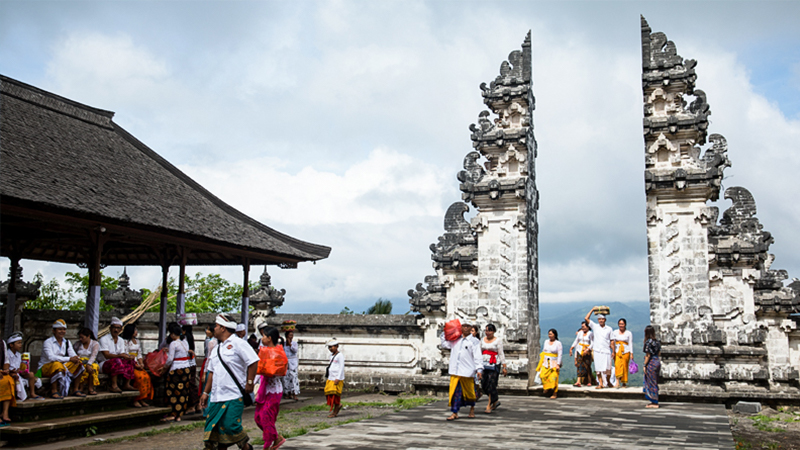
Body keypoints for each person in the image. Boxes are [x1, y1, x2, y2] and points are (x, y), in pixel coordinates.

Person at [200, 314, 259, 450]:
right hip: (216, 397)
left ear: (222, 328)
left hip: (233, 395)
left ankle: (246, 447)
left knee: (231, 426)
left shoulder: (239, 343)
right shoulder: (216, 349)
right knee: (212, 430)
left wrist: (250, 382)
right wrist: (205, 392)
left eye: (216, 326)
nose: (214, 329)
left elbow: (253, 361)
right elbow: (211, 373)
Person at [440, 321, 482, 421]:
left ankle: (472, 409)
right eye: (464, 326)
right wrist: (444, 333)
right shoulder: (455, 339)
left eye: (468, 326)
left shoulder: (474, 341)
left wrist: (479, 369)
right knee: (455, 392)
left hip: (468, 371)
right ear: (461, 327)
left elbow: (478, 356)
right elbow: (445, 344)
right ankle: (454, 412)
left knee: (470, 392)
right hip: (455, 370)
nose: (466, 328)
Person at [254, 326, 286, 450]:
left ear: (269, 338)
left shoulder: (279, 353)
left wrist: (270, 370)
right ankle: (276, 437)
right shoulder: (263, 351)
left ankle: (267, 445)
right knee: (258, 417)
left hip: (274, 390)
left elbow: (281, 371)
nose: (262, 338)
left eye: (264, 336)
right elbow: (258, 370)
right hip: (264, 388)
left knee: (266, 417)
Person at [38, 319, 84, 399]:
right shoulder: (48, 342)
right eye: (59, 329)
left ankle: (75, 389)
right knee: (57, 364)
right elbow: (51, 357)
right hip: (45, 367)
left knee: (79, 363)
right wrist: (69, 359)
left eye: (64, 329)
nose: (62, 331)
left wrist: (76, 358)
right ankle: (54, 391)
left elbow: (73, 355)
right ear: (53, 331)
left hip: (62, 366)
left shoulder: (67, 342)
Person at [163, 322, 192, 422]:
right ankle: (179, 415)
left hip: (176, 368)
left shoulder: (173, 343)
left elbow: (170, 359)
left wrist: (164, 368)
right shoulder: (185, 342)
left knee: (172, 392)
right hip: (186, 368)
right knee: (183, 393)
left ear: (173, 334)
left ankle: (173, 413)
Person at [99, 317, 136, 393]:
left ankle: (126, 384)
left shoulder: (121, 340)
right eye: (114, 327)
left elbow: (122, 353)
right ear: (110, 328)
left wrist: (128, 357)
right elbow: (106, 355)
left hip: (117, 362)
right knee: (117, 360)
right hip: (104, 364)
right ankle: (114, 386)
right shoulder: (104, 339)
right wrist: (121, 356)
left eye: (118, 328)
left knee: (130, 361)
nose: (116, 330)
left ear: (121, 329)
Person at [122, 323, 153, 408]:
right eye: (135, 330)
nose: (136, 332)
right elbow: (126, 354)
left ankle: (142, 398)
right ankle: (136, 399)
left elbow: (139, 354)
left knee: (146, 376)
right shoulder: (125, 341)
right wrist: (135, 365)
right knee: (140, 377)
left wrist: (141, 363)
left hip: (137, 363)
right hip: (129, 363)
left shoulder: (137, 341)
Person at [6, 332, 42, 401]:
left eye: (21, 343)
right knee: (16, 376)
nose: (21, 345)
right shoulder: (7, 354)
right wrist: (14, 371)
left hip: (19, 373)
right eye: (18, 343)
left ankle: (32, 393)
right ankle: (18, 396)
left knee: (31, 374)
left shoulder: (19, 355)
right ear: (11, 345)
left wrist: (23, 371)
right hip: (11, 374)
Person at [584, 308, 614, 389]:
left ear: (605, 320)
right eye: (599, 319)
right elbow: (586, 318)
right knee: (598, 368)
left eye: (602, 319)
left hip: (606, 350)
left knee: (608, 368)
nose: (601, 321)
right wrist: (592, 309)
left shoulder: (609, 329)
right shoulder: (595, 327)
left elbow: (611, 341)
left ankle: (608, 381)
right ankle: (600, 383)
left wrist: (613, 351)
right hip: (597, 350)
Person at [480, 323, 506, 413]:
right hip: (484, 363)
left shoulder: (497, 341)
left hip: (494, 363)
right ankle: (495, 400)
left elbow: (501, 353)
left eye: (490, 330)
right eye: (486, 330)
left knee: (492, 383)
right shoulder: (482, 340)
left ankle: (489, 405)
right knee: (484, 383)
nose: (488, 332)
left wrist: (504, 366)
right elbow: (479, 352)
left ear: (494, 331)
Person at [74, 328, 100, 396]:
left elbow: (93, 355)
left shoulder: (95, 344)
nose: (80, 339)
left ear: (88, 336)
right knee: (80, 368)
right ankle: (80, 387)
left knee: (93, 368)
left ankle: (91, 388)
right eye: (79, 337)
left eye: (82, 337)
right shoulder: (77, 344)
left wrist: (88, 364)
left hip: (91, 361)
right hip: (80, 361)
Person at [537, 328, 562, 399]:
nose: (549, 335)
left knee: (554, 378)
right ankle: (547, 387)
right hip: (546, 362)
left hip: (554, 362)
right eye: (549, 334)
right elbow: (544, 351)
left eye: (551, 334)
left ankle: (554, 393)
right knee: (542, 375)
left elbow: (560, 354)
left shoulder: (558, 343)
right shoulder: (546, 341)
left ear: (555, 335)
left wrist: (558, 364)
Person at [182, 324, 201, 415]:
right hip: (192, 362)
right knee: (193, 384)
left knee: (190, 385)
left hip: (187, 363)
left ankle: (192, 405)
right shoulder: (190, 337)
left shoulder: (184, 339)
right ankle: (197, 405)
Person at [569, 321, 595, 387]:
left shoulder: (590, 333)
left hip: (587, 350)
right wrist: (572, 347)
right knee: (579, 365)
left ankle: (589, 381)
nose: (583, 328)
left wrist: (588, 349)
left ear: (588, 327)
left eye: (584, 326)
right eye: (582, 327)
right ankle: (578, 381)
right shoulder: (580, 333)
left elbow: (592, 342)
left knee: (587, 365)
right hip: (579, 350)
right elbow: (576, 340)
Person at [324, 338, 345, 418]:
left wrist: (338, 378)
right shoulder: (331, 355)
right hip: (331, 377)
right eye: (329, 347)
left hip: (336, 378)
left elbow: (341, 367)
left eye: (331, 347)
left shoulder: (340, 356)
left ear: (337, 346)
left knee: (335, 395)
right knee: (328, 392)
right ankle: (335, 407)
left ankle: (336, 410)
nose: (330, 349)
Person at [643, 325, 661, 409]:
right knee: (655, 381)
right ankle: (654, 400)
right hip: (657, 361)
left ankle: (654, 401)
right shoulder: (657, 341)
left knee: (651, 381)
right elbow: (659, 353)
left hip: (651, 363)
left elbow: (648, 355)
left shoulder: (648, 342)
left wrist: (645, 365)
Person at [613, 318, 633, 388]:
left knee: (624, 366)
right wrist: (612, 351)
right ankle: (617, 382)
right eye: (620, 324)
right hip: (617, 351)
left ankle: (624, 383)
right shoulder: (615, 332)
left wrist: (631, 353)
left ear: (625, 324)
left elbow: (630, 343)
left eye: (622, 324)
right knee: (617, 366)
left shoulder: (628, 333)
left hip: (626, 351)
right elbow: (613, 342)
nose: (621, 325)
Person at [0, 339, 16, 426]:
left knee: (8, 380)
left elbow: (6, 361)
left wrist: (6, 370)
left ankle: (4, 413)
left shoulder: (2, 343)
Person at [281, 330, 299, 401]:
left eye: (292, 335)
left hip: (293, 361)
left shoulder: (294, 343)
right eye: (289, 335)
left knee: (293, 377)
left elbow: (295, 350)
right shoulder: (283, 344)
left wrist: (290, 344)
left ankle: (295, 393)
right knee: (286, 377)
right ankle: (288, 393)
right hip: (286, 361)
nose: (291, 337)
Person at [470, 325, 482, 401]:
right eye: (470, 331)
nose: (471, 332)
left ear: (476, 332)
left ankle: (476, 394)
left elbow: (478, 354)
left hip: (475, 363)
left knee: (475, 380)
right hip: (469, 363)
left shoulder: (477, 341)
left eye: (473, 331)